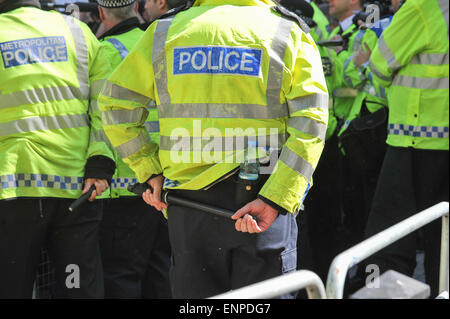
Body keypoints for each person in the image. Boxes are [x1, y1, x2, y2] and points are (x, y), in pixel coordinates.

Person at [98, 0, 328, 298]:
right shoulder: (287, 31)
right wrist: (278, 198)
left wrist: (149, 170)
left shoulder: (165, 31)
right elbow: (312, 122)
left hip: (188, 207)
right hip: (261, 201)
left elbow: (116, 106)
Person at [0, 0, 115, 298]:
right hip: (78, 188)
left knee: (11, 285)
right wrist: (100, 163)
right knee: (76, 285)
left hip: (14, 188)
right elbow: (106, 104)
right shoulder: (76, 31)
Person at [362, 0, 448, 297]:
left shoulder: (424, 6)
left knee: (388, 244)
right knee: (444, 243)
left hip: (412, 141)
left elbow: (379, 65)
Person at [95, 0, 172, 299]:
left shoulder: (106, 50)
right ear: (137, 7)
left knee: (121, 275)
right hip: (165, 179)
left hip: (127, 183)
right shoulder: (158, 39)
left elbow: (103, 117)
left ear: (101, 13)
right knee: (161, 270)